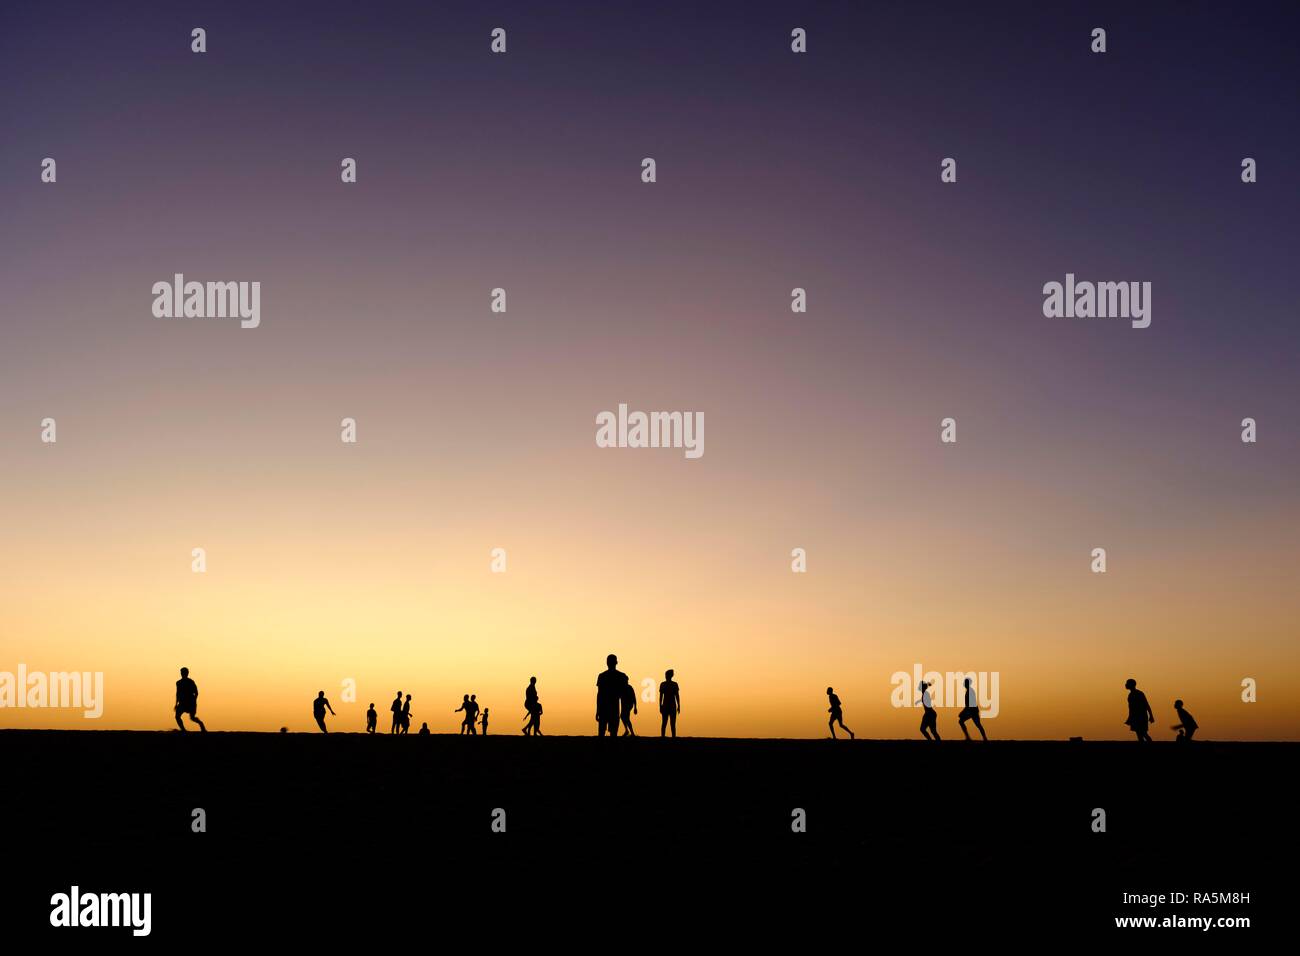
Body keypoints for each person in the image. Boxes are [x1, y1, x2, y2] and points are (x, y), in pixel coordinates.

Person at [595, 654, 628, 737]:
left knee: (601, 733)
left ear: (607, 663)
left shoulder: (602, 676)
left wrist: (598, 710)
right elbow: (624, 695)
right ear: (616, 662)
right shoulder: (621, 676)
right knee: (613, 734)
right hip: (614, 708)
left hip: (604, 707)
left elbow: (599, 695)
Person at [174, 667, 207, 733]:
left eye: (184, 672)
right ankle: (183, 730)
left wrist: (193, 701)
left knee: (192, 718)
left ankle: (201, 725)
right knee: (177, 716)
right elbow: (177, 693)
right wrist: (176, 703)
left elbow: (196, 692)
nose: (183, 674)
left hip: (190, 703)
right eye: (182, 672)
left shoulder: (191, 682)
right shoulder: (178, 683)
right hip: (182, 703)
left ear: (187, 673)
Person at [659, 669, 681, 737]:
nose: (666, 676)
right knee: (667, 723)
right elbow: (661, 696)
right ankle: (666, 736)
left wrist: (679, 705)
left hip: (669, 705)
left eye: (666, 675)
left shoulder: (665, 684)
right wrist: (660, 706)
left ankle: (670, 736)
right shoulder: (672, 684)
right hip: (669, 705)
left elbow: (677, 695)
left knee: (669, 723)